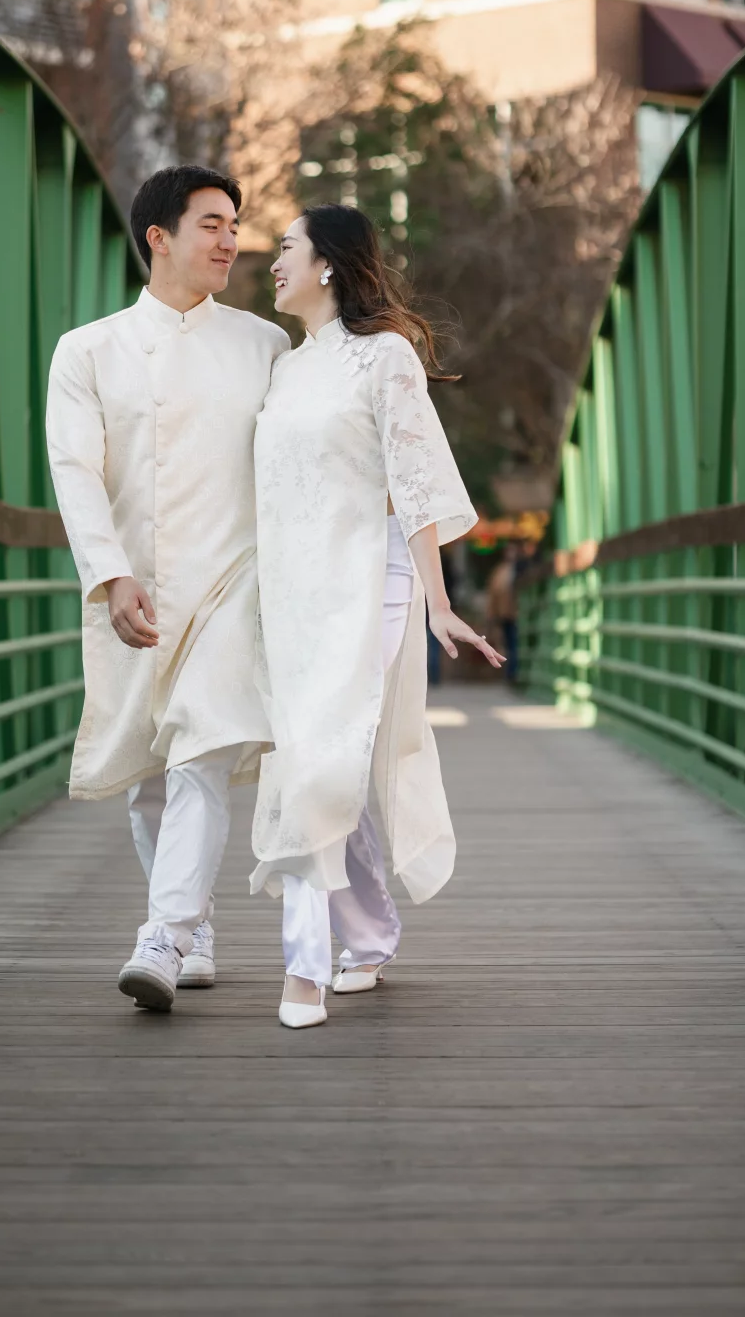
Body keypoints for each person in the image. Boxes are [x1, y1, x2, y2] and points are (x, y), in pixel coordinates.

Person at [251, 204, 505, 1029]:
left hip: (372, 579)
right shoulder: (288, 368)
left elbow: (417, 483)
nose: (274, 262)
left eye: (286, 247)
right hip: (293, 591)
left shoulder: (384, 357)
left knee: (318, 762)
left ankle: (303, 970)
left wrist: (438, 604)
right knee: (329, 763)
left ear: (327, 263)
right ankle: (364, 936)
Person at [46, 165, 289, 1013]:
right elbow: (75, 470)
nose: (232, 241)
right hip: (136, 587)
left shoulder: (266, 345)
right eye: (214, 224)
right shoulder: (88, 349)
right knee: (149, 773)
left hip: (237, 583)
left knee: (202, 750)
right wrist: (109, 576)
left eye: (236, 226)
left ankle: (165, 932)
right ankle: (196, 923)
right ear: (159, 236)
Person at [486, 542, 520, 683]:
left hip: (516, 614)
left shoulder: (518, 569)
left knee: (514, 644)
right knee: (510, 644)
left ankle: (513, 673)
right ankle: (512, 673)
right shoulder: (501, 571)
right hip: (506, 615)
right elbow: (493, 594)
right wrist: (492, 614)